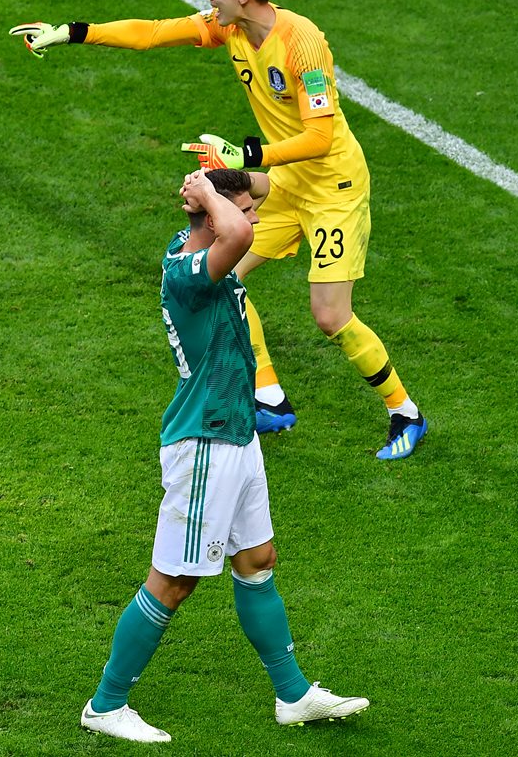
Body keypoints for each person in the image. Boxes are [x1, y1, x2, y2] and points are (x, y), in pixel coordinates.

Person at [9, 0, 427, 460]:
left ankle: (405, 413)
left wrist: (243, 154)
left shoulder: (302, 44)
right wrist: (72, 33)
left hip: (332, 188)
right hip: (284, 181)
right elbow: (155, 34)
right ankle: (271, 398)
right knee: (223, 272)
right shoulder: (227, 27)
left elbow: (320, 138)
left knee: (330, 317)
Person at [78, 169, 368, 743]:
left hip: (238, 435)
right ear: (213, 218)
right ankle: (105, 705)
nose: (257, 219)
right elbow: (236, 231)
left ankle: (293, 696)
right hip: (205, 443)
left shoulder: (196, 247)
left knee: (257, 560)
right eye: (243, 212)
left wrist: (221, 173)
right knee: (173, 581)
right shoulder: (190, 274)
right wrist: (213, 197)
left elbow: (254, 196)